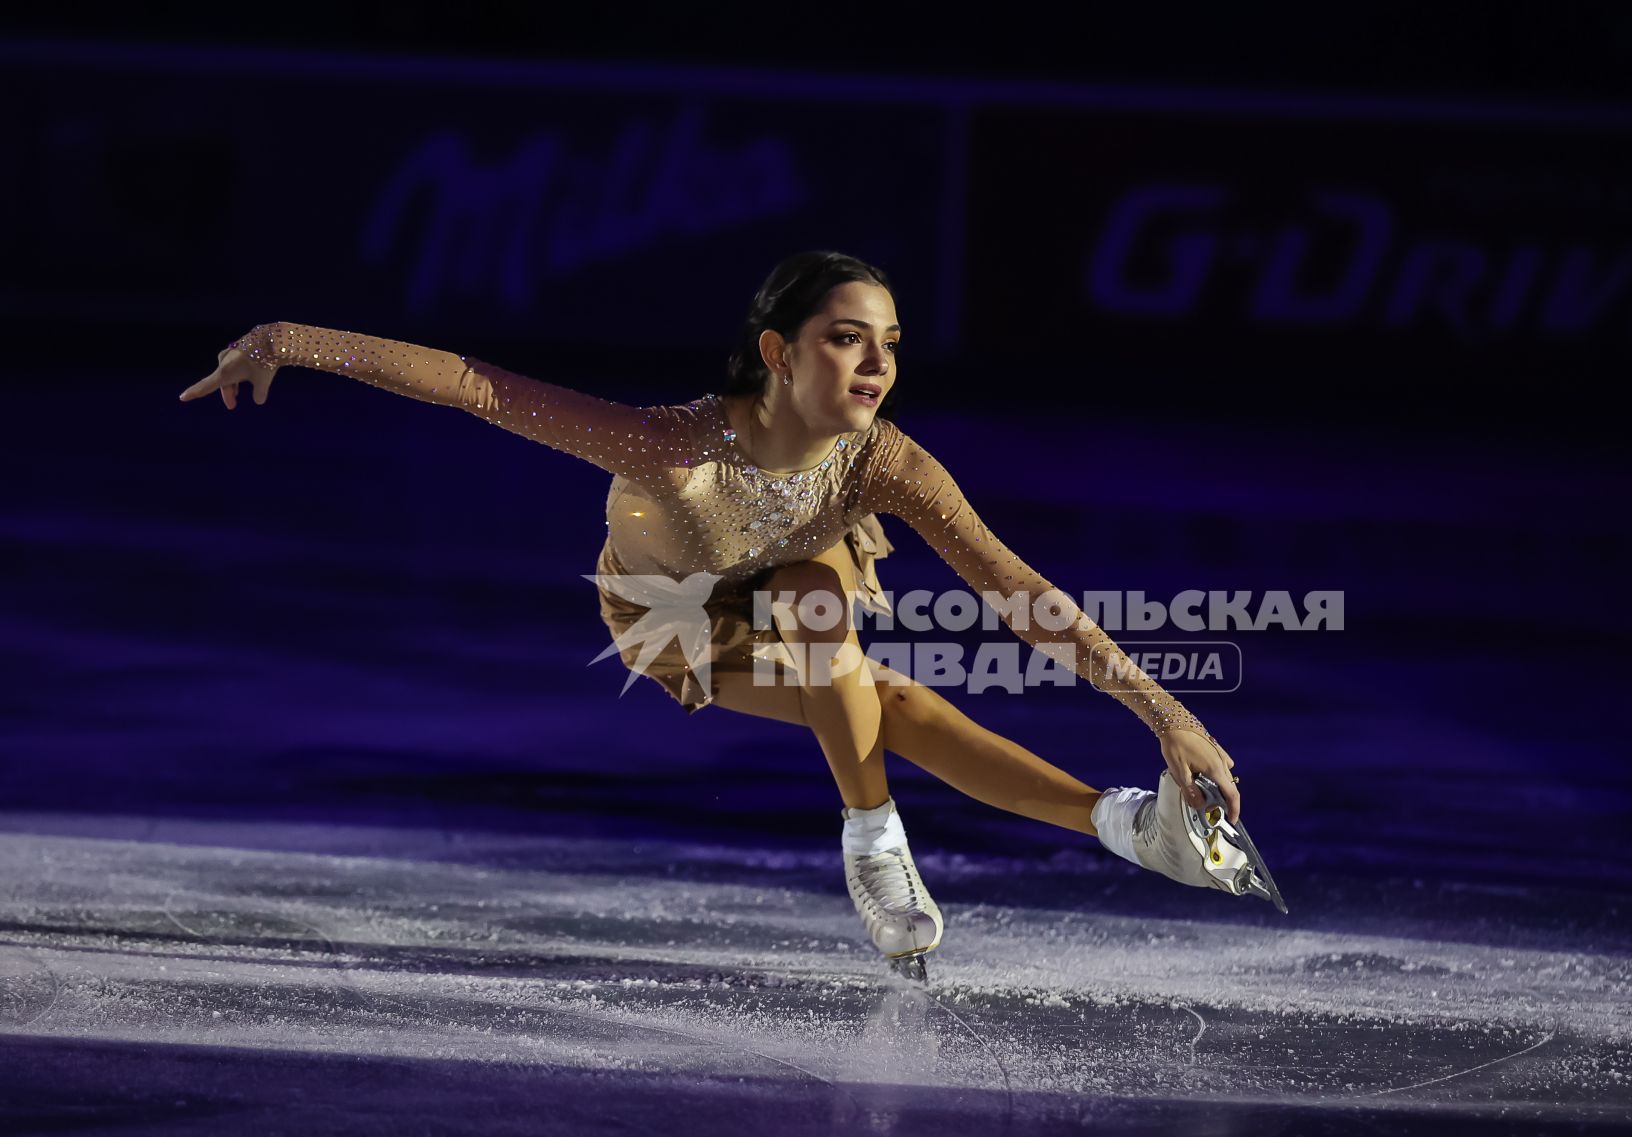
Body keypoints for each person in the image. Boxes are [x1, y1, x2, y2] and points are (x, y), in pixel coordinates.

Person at [178, 250, 1255, 979]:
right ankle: (881, 837)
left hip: (802, 584)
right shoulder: (670, 448)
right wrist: (286, 334)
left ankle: (1119, 825)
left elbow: (1017, 587)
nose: (878, 361)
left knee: (836, 621)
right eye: (846, 338)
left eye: (889, 339)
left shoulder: (886, 461)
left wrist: (1164, 712)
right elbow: (478, 386)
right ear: (780, 353)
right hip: (679, 616)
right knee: (881, 694)